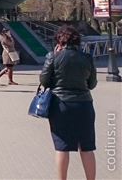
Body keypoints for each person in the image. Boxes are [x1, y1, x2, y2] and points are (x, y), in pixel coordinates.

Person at [40, 25, 97, 180]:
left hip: (60, 105)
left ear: (59, 40)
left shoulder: (53, 56)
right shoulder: (87, 58)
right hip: (84, 105)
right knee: (86, 147)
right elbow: (92, 84)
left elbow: (44, 81)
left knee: (62, 147)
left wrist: (53, 60)